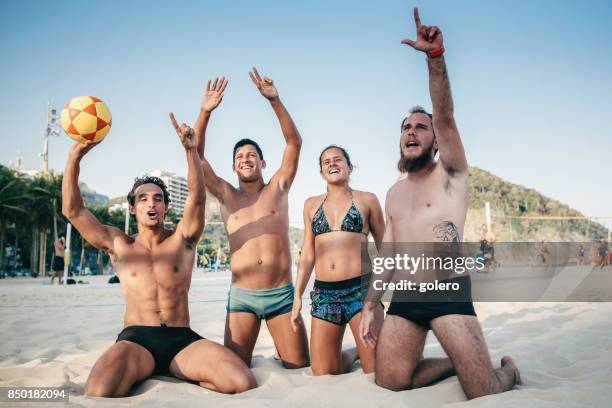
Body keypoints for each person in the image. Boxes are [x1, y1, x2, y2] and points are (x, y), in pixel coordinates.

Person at [359, 8, 520, 399]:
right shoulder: (394, 192)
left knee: (483, 389)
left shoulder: (451, 173)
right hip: (406, 299)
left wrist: (436, 59)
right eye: (405, 128)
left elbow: (445, 114)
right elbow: (391, 254)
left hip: (448, 293)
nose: (411, 132)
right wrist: (371, 303)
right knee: (390, 380)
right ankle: (455, 362)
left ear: (434, 140)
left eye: (420, 126)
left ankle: (509, 372)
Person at [62, 114, 255, 397]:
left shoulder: (183, 240)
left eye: (158, 199)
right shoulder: (119, 244)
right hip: (138, 339)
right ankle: (148, 367)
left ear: (165, 208)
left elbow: (198, 198)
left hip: (181, 339)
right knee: (99, 390)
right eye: (143, 198)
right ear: (132, 208)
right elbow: (73, 211)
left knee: (241, 382)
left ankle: (175, 370)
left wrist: (191, 150)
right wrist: (74, 158)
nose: (151, 203)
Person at [194, 69, 309, 368]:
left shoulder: (278, 187)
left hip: (282, 296)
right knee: (233, 369)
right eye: (240, 157)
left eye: (251, 155)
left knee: (299, 366)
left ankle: (283, 350)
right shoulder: (225, 194)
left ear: (262, 162)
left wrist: (275, 101)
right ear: (233, 167)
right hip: (242, 298)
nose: (245, 159)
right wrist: (205, 112)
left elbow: (294, 143)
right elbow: (196, 155)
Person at [291, 145, 385, 375]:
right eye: (326, 162)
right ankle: (353, 352)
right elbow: (308, 253)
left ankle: (363, 354)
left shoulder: (368, 200)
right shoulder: (311, 205)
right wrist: (297, 296)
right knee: (323, 372)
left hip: (360, 291)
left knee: (375, 371)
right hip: (325, 295)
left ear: (349, 167)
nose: (332, 164)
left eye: (338, 160)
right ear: (322, 172)